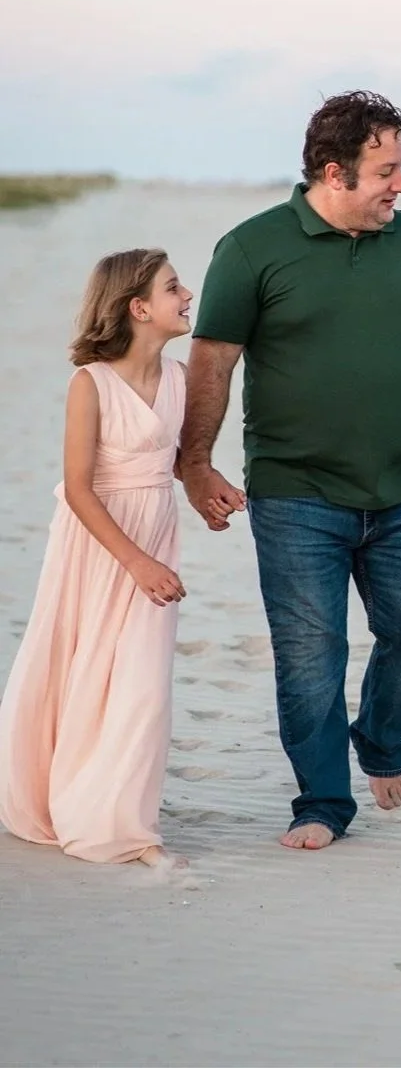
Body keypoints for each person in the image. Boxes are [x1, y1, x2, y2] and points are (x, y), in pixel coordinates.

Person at [181, 91, 401, 851]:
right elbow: (212, 366)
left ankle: (378, 735)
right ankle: (321, 801)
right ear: (335, 172)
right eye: (388, 169)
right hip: (295, 492)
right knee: (310, 655)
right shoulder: (250, 249)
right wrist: (195, 463)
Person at [0, 249, 201, 871]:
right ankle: (95, 813)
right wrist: (136, 562)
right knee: (80, 666)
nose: (187, 294)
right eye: (173, 288)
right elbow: (80, 487)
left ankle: (122, 818)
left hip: (155, 532)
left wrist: (208, 486)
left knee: (141, 683)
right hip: (99, 543)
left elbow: (174, 462)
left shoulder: (179, 379)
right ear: (139, 308)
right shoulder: (90, 383)